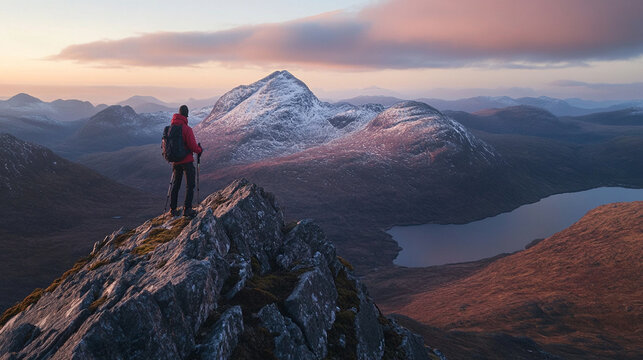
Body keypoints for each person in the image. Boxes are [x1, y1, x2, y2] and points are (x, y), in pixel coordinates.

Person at [169, 105, 202, 217]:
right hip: (187, 161)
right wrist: (199, 150)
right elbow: (192, 146)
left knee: (176, 185)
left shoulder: (170, 128)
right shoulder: (187, 129)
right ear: (186, 115)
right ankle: (187, 209)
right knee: (190, 185)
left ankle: (172, 210)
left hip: (175, 161)